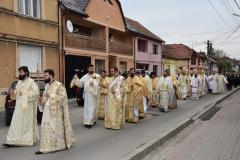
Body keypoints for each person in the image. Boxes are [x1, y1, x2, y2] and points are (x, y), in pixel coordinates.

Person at [36, 69, 75, 154]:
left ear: (51, 76)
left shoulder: (59, 85)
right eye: (44, 75)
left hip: (56, 113)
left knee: (55, 129)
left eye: (45, 75)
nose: (44, 77)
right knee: (46, 127)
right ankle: (46, 146)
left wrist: (51, 95)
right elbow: (44, 100)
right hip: (47, 112)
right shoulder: (47, 86)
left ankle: (57, 146)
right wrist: (41, 99)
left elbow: (62, 98)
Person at [3, 66, 39, 147]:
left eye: (21, 72)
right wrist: (12, 92)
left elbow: (35, 94)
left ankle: (26, 140)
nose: (19, 74)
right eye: (19, 72)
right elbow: (16, 95)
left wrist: (24, 93)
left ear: (26, 73)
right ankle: (12, 140)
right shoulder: (19, 82)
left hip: (27, 108)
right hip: (18, 108)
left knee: (26, 125)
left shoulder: (31, 82)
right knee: (16, 124)